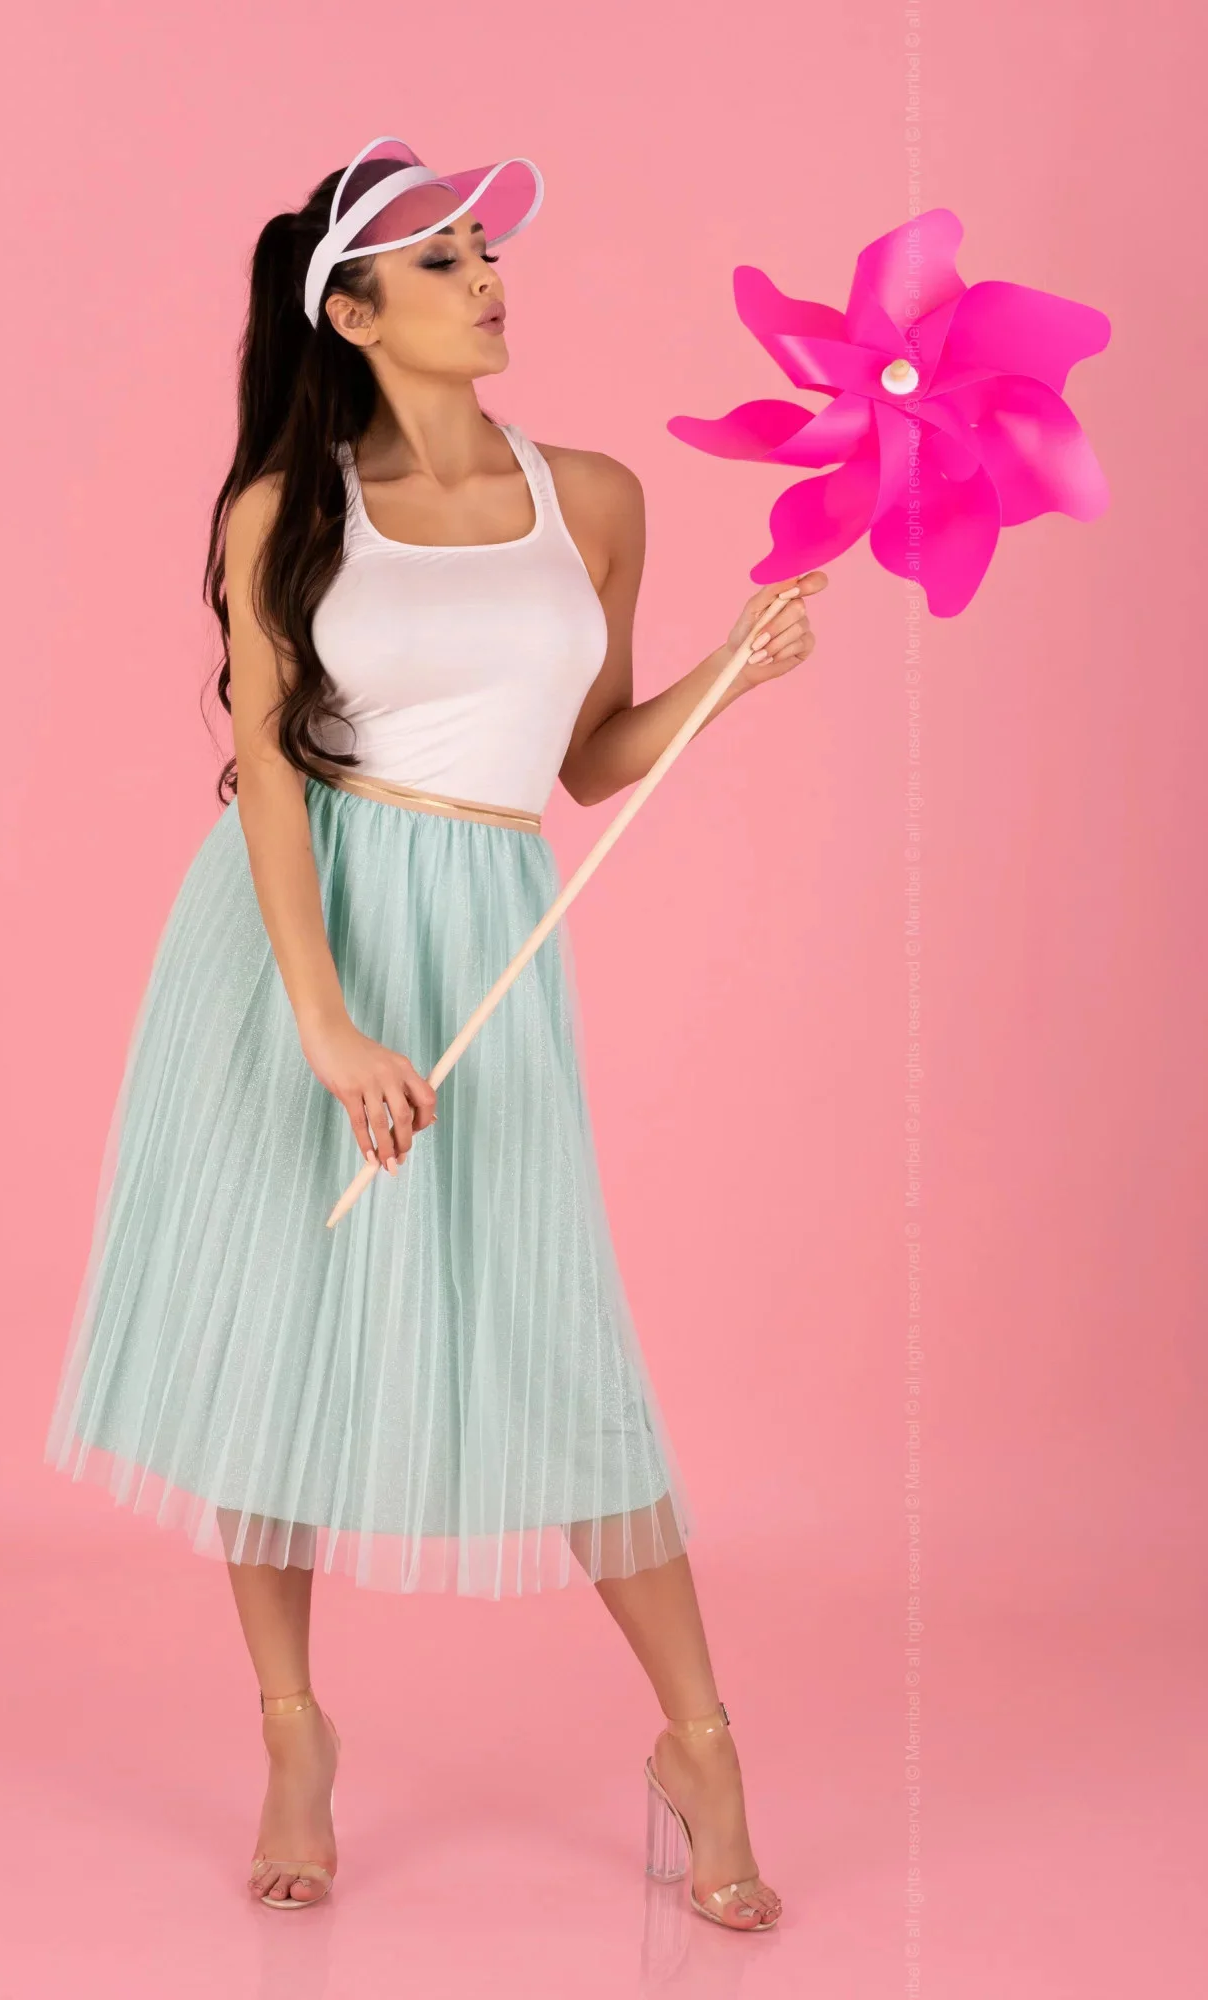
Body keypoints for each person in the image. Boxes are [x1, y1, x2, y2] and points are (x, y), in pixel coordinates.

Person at [44, 136, 823, 1930]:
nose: (487, 279)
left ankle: (700, 1744)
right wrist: (324, 1026)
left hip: (484, 936)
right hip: (295, 939)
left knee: (557, 1329)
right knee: (274, 1318)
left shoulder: (597, 496)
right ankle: (293, 1728)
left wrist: (730, 670)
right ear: (352, 310)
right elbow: (268, 774)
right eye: (444, 259)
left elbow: (589, 761)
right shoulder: (283, 510)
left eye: (487, 252)